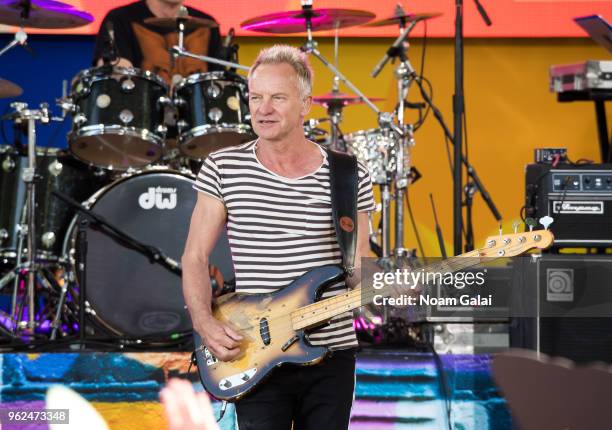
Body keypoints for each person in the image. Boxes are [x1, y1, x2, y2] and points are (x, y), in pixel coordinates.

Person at [181, 45, 376, 429]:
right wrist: (205, 323)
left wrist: (387, 285)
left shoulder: (349, 175)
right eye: (255, 97)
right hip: (254, 348)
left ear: (305, 105)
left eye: (277, 98)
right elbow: (194, 258)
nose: (263, 108)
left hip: (331, 351)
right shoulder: (223, 167)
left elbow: (359, 265)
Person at [92, 0, 223, 85]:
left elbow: (219, 80)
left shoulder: (207, 24)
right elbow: (113, 76)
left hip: (197, 119)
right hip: (141, 117)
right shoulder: (119, 19)